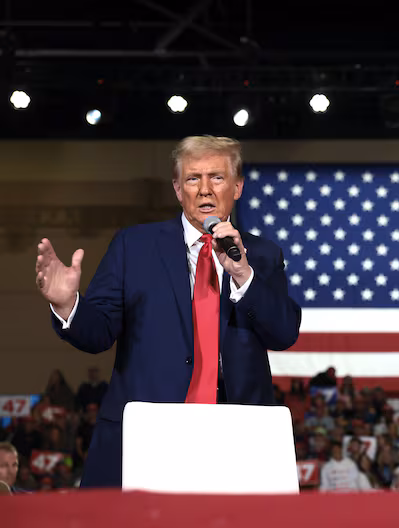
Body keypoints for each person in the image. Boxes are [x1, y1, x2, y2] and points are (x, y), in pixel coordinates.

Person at [35, 135, 301, 488]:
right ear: (178, 189)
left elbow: (283, 334)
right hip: (150, 433)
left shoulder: (262, 255)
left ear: (237, 187)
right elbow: (97, 333)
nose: (205, 190)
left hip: (235, 437)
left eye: (217, 178)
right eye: (193, 179)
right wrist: (67, 304)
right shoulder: (134, 246)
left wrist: (243, 274)